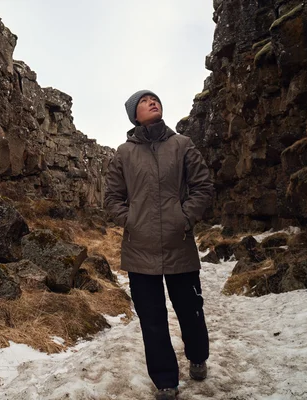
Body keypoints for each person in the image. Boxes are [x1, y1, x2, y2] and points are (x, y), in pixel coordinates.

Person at [104, 90, 214, 400]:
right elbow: (111, 198)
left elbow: (202, 186)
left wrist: (185, 218)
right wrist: (132, 221)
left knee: (190, 310)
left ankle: (198, 356)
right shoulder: (123, 153)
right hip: (139, 249)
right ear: (134, 115)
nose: (152, 102)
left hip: (179, 244)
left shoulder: (182, 144)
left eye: (155, 99)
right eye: (143, 101)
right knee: (152, 320)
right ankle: (165, 381)